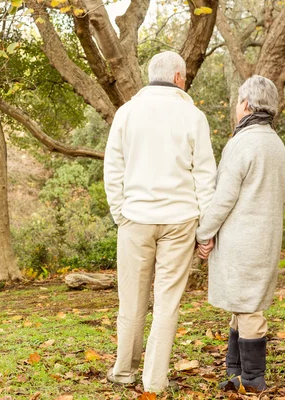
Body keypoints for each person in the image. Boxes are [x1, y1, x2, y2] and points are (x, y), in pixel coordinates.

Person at [104, 51, 217, 393]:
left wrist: (120, 213)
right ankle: (154, 380)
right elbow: (205, 177)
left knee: (132, 300)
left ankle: (124, 372)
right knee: (167, 303)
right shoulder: (193, 116)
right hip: (181, 219)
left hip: (136, 218)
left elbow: (113, 169)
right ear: (179, 77)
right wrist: (205, 231)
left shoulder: (127, 113)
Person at [196, 75, 285, 393]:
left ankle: (252, 379)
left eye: (238, 101)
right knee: (244, 305)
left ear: (247, 105)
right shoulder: (277, 146)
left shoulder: (242, 143)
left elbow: (224, 197)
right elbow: (283, 195)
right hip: (266, 238)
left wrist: (204, 233)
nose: (236, 107)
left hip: (242, 240)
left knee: (249, 309)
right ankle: (236, 373)